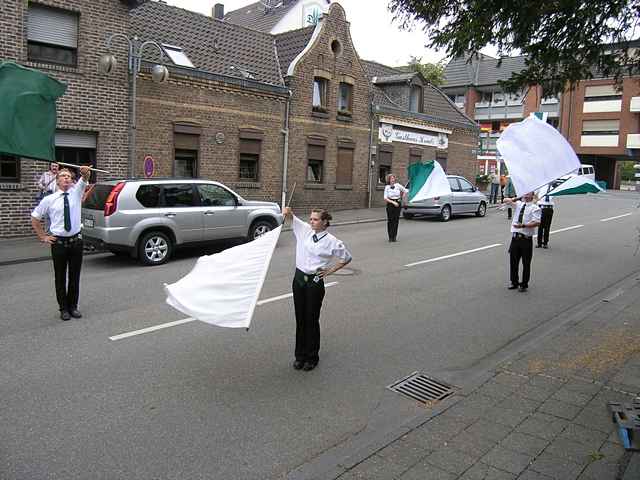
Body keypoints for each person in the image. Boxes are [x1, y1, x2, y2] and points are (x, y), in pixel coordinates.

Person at [282, 206, 352, 371]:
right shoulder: (305, 231)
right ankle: (300, 356)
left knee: (311, 319)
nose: (311, 221)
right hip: (299, 280)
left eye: (315, 219)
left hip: (314, 282)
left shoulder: (332, 241)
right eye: (311, 219)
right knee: (300, 319)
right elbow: (291, 217)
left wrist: (329, 271)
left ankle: (312, 357)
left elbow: (346, 258)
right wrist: (287, 211)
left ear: (325, 222)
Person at [31, 166, 91, 321]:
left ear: (72, 181)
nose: (66, 178)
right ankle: (63, 308)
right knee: (60, 277)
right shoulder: (49, 200)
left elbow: (85, 177)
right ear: (57, 181)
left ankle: (73, 307)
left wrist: (84, 172)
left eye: (69, 177)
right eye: (63, 176)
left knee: (74, 276)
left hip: (76, 242)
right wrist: (43, 236)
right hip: (58, 244)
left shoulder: (76, 193)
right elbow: (35, 218)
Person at [503, 192, 541, 292]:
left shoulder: (535, 208)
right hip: (515, 238)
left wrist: (523, 226)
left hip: (526, 238)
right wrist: (517, 197)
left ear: (532, 196)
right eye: (525, 194)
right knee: (513, 261)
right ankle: (514, 282)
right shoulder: (519, 204)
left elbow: (537, 222)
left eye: (528, 194)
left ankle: (524, 284)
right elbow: (505, 200)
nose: (526, 196)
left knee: (526, 263)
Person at [383, 173, 408, 242]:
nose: (393, 180)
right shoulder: (387, 187)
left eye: (394, 178)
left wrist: (402, 196)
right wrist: (393, 202)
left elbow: (405, 190)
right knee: (390, 220)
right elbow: (385, 198)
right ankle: (390, 237)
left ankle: (394, 237)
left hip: (398, 203)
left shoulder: (398, 185)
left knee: (396, 220)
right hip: (390, 204)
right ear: (389, 180)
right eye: (391, 178)